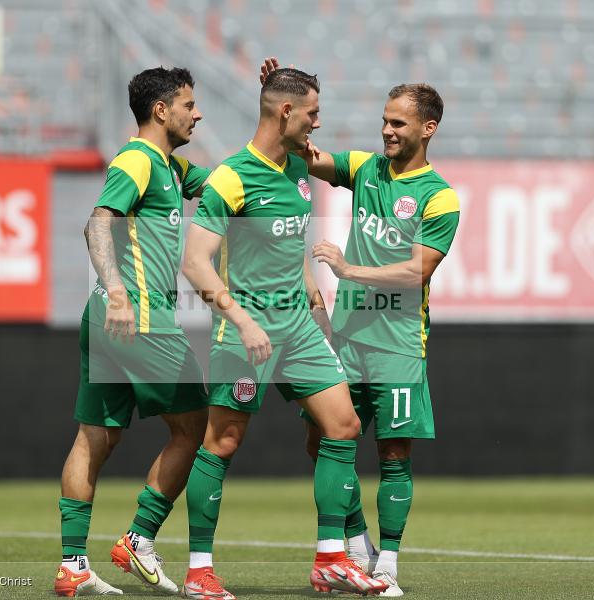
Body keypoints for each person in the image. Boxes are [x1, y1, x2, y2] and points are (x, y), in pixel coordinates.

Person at [180, 67, 389, 599]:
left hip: (298, 326)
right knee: (222, 441)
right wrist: (244, 320)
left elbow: (294, 239)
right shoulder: (231, 177)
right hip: (245, 330)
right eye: (313, 113)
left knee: (342, 426)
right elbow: (196, 264)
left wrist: (311, 294)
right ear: (286, 113)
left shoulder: (298, 165)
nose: (319, 123)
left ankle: (330, 560)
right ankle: (199, 571)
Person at [262, 56, 458, 597]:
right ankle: (356, 544)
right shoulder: (366, 168)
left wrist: (350, 270)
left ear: (428, 128)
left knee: (394, 456)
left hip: (397, 343)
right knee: (322, 440)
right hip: (346, 340)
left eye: (398, 123)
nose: (387, 130)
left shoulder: (439, 195)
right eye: (385, 120)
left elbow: (419, 269)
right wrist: (278, 104)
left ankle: (388, 563)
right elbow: (309, 154)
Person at [54, 66, 211, 597]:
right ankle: (139, 538)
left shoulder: (166, 164)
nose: (198, 113)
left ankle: (73, 565)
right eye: (189, 104)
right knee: (196, 427)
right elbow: (97, 222)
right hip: (136, 314)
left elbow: (222, 183)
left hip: (104, 316)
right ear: (161, 111)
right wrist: (120, 292)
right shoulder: (139, 160)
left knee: (96, 436)